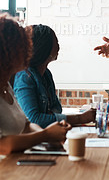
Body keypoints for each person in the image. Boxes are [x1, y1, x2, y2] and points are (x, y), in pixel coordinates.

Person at [0, 14, 70, 155]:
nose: (29, 52)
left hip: (21, 163)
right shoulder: (23, 77)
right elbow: (3, 145)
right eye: (23, 48)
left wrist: (49, 136)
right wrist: (45, 136)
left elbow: (27, 125)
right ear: (8, 52)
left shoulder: (6, 84)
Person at [14, 24, 96, 128]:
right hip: (36, 139)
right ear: (44, 47)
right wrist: (80, 118)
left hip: (49, 134)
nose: (59, 46)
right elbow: (34, 120)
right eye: (56, 42)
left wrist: (48, 117)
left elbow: (56, 108)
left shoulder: (46, 74)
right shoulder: (25, 77)